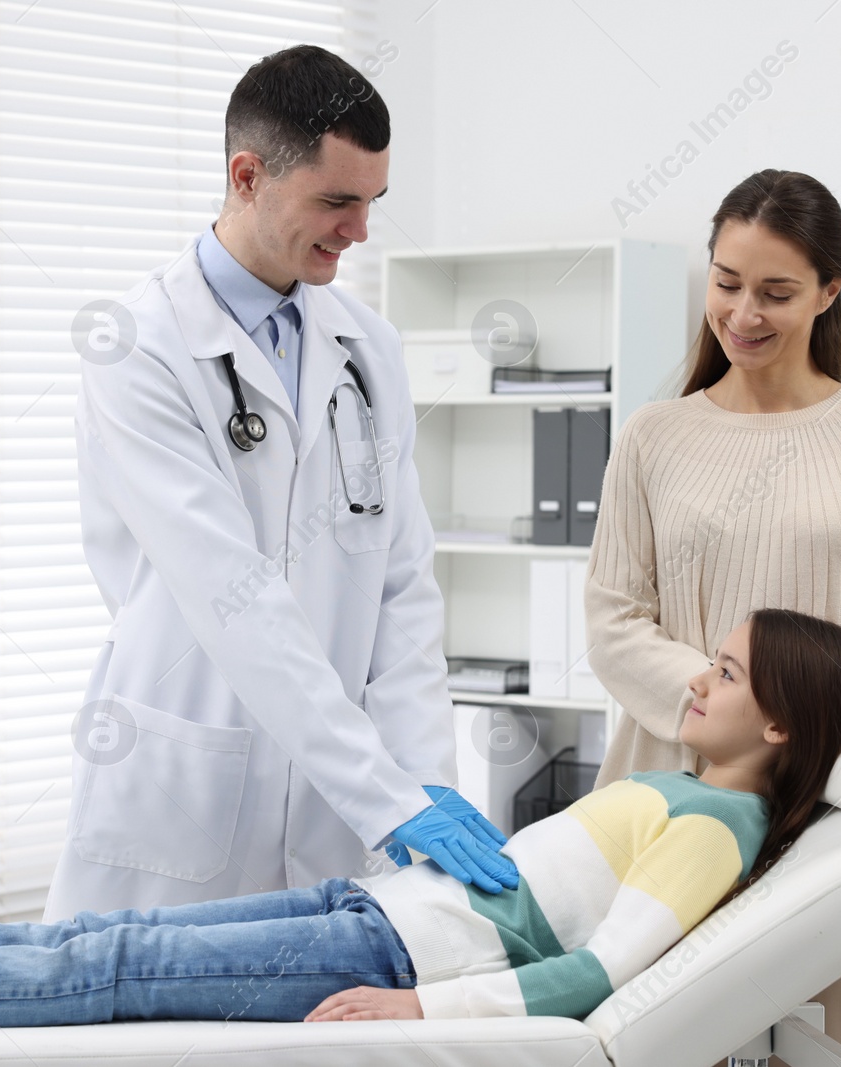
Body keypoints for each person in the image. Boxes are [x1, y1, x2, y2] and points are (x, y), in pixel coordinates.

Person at [0, 608, 841, 1034]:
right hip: (384, 905)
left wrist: (422, 1004)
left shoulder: (718, 826)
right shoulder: (695, 793)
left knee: (111, 962)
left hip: (401, 949)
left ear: (781, 723)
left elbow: (593, 974)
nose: (696, 678)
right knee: (99, 939)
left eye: (725, 674)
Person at [53, 42, 515, 920]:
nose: (361, 231)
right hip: (186, 790)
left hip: (340, 807)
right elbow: (235, 596)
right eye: (337, 201)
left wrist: (420, 787)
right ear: (247, 175)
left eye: (374, 202)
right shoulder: (140, 346)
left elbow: (403, 593)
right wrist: (385, 798)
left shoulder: (368, 348)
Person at [583, 169, 841, 1057]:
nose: (743, 313)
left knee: (822, 1039)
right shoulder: (655, 434)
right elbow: (613, 619)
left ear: (831, 291)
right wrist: (734, 709)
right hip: (673, 795)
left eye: (776, 291)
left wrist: (818, 709)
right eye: (726, 283)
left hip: (830, 806)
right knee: (651, 1034)